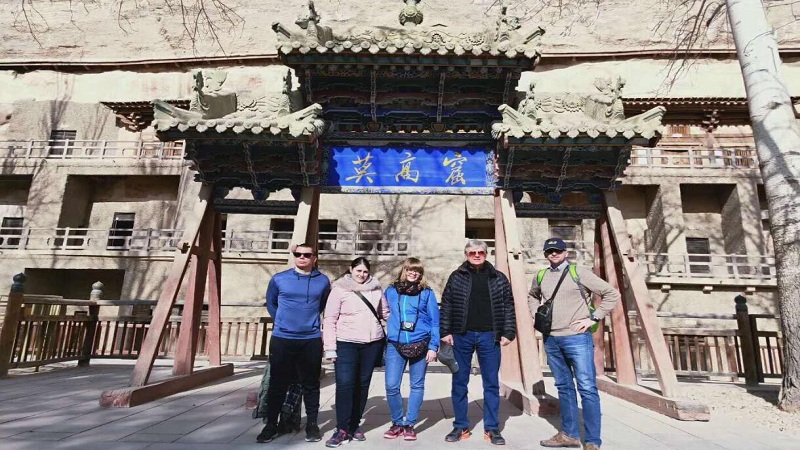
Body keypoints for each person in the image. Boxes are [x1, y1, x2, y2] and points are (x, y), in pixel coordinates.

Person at [529, 238, 620, 450]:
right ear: (545, 254)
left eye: (558, 250)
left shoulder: (579, 272)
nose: (554, 254)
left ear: (565, 252)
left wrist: (594, 318)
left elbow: (611, 294)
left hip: (577, 338)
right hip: (551, 338)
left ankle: (592, 441)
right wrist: (535, 312)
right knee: (564, 387)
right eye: (550, 251)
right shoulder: (541, 275)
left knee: (587, 388)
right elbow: (532, 295)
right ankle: (569, 434)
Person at [440, 239, 516, 446]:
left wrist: (508, 332)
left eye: (480, 252)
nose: (476, 255)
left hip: (489, 336)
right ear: (466, 254)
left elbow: (509, 306)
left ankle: (492, 428)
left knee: (491, 384)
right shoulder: (457, 277)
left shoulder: (498, 278)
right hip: (461, 336)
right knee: (459, 382)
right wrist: (445, 331)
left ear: (486, 253)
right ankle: (460, 426)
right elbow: (446, 304)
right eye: (472, 252)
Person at [257, 243, 331, 444]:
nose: (302, 258)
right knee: (277, 383)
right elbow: (271, 303)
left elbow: (322, 304)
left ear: (314, 258)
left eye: (307, 255)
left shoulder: (323, 281)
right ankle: (271, 424)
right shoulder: (279, 279)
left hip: (310, 340)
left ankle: (312, 425)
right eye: (298, 254)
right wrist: (281, 320)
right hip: (283, 339)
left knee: (311, 384)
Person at [322, 257, 388, 448]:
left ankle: (354, 425)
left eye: (365, 271)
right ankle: (341, 428)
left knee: (362, 384)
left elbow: (385, 313)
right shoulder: (339, 290)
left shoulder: (376, 289)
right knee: (345, 385)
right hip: (346, 343)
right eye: (358, 270)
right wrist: (330, 348)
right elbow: (330, 320)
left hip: (371, 344)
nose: (361, 274)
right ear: (351, 270)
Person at [382, 258, 440, 441]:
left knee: (417, 385)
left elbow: (435, 322)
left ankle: (409, 424)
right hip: (395, 344)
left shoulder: (427, 293)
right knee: (391, 386)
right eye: (410, 270)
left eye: (418, 271)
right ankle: (397, 422)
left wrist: (433, 346)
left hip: (420, 343)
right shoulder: (391, 291)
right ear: (404, 270)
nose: (414, 273)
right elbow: (382, 310)